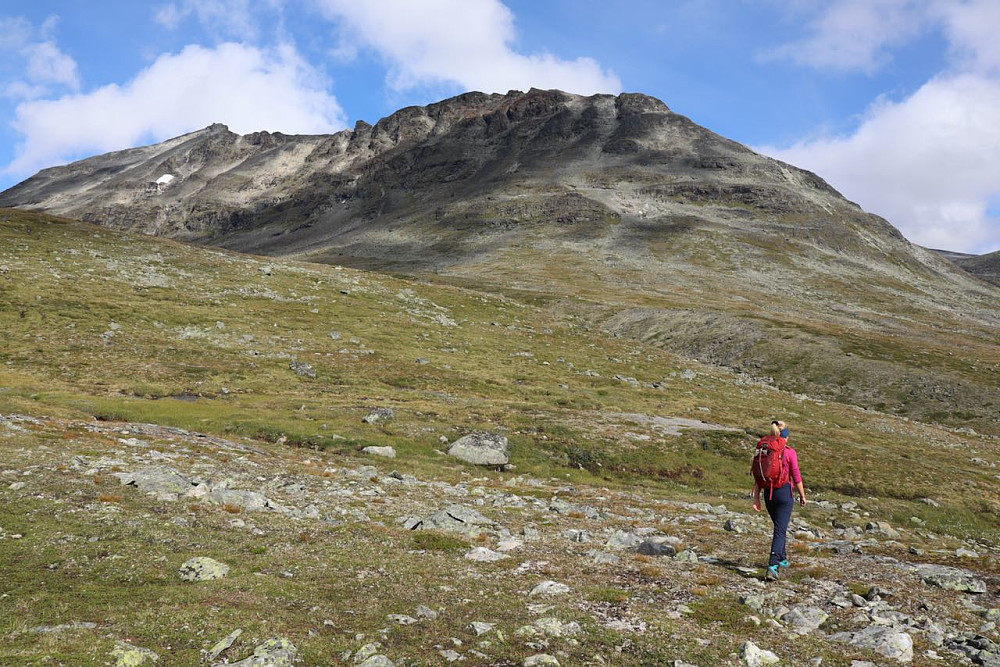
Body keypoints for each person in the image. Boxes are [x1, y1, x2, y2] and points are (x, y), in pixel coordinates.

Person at [752, 420, 806, 580]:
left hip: (768, 493)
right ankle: (773, 565)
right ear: (786, 437)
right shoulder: (789, 452)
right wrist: (802, 495)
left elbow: (758, 474)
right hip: (784, 494)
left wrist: (756, 497)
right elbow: (796, 476)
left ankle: (782, 558)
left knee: (778, 526)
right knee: (780, 530)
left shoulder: (766, 450)